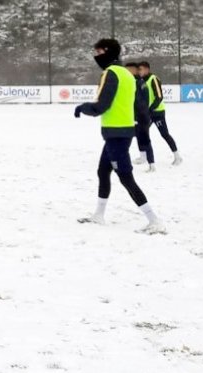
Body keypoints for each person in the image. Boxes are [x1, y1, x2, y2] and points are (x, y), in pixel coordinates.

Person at [73, 40, 165, 234]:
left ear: (108, 52)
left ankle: (155, 220)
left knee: (125, 177)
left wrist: (83, 108)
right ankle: (99, 215)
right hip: (121, 132)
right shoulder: (127, 74)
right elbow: (137, 105)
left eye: (98, 51)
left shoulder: (111, 73)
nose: (96, 55)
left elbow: (101, 106)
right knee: (102, 171)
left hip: (116, 134)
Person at [138, 62, 182, 166]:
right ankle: (143, 157)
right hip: (148, 113)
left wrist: (150, 109)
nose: (139, 71)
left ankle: (177, 157)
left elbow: (159, 97)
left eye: (141, 69)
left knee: (164, 134)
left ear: (147, 69)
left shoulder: (153, 79)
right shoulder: (142, 81)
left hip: (157, 113)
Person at [126, 62, 155, 172]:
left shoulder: (138, 83)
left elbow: (139, 102)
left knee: (144, 140)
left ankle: (152, 164)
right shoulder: (137, 82)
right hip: (138, 116)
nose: (127, 72)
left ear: (135, 70)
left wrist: (136, 116)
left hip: (141, 117)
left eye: (129, 70)